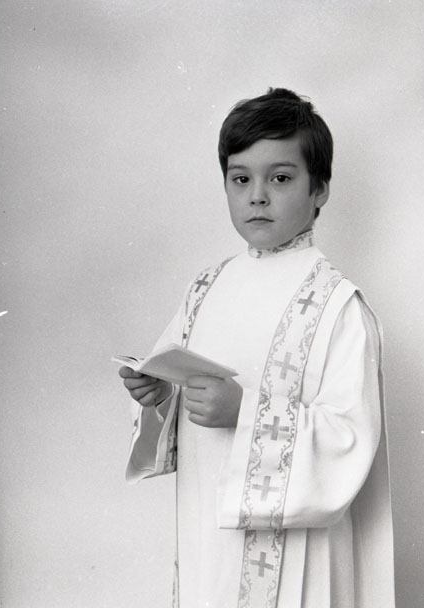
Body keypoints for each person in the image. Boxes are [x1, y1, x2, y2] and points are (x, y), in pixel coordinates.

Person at [118, 88, 395, 608]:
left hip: (297, 549)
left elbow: (350, 439)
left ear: (320, 189)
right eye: (240, 179)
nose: (257, 196)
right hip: (208, 530)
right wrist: (158, 394)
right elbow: (178, 392)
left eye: (281, 178)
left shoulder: (337, 304)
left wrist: (245, 414)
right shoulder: (205, 288)